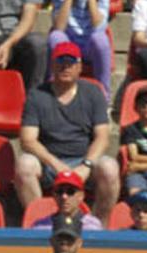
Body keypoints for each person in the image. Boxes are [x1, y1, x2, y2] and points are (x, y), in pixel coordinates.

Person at [15, 41, 120, 226]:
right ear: (52, 65)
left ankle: (98, 227)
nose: (65, 67)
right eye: (60, 62)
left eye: (70, 63)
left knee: (110, 168)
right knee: (24, 165)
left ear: (79, 67)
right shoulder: (37, 95)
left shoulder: (93, 92)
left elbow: (102, 137)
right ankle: (41, 223)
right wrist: (57, 165)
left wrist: (86, 165)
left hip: (84, 160)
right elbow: (28, 140)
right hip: (49, 163)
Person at [48, 0, 112, 98]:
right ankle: (54, 91)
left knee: (101, 40)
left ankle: (104, 96)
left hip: (90, 43)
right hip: (68, 42)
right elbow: (59, 27)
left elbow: (99, 27)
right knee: (55, 37)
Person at [29, 169, 102, 231]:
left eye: (70, 191)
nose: (64, 196)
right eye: (59, 191)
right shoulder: (40, 226)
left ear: (81, 196)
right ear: (54, 195)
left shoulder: (93, 227)